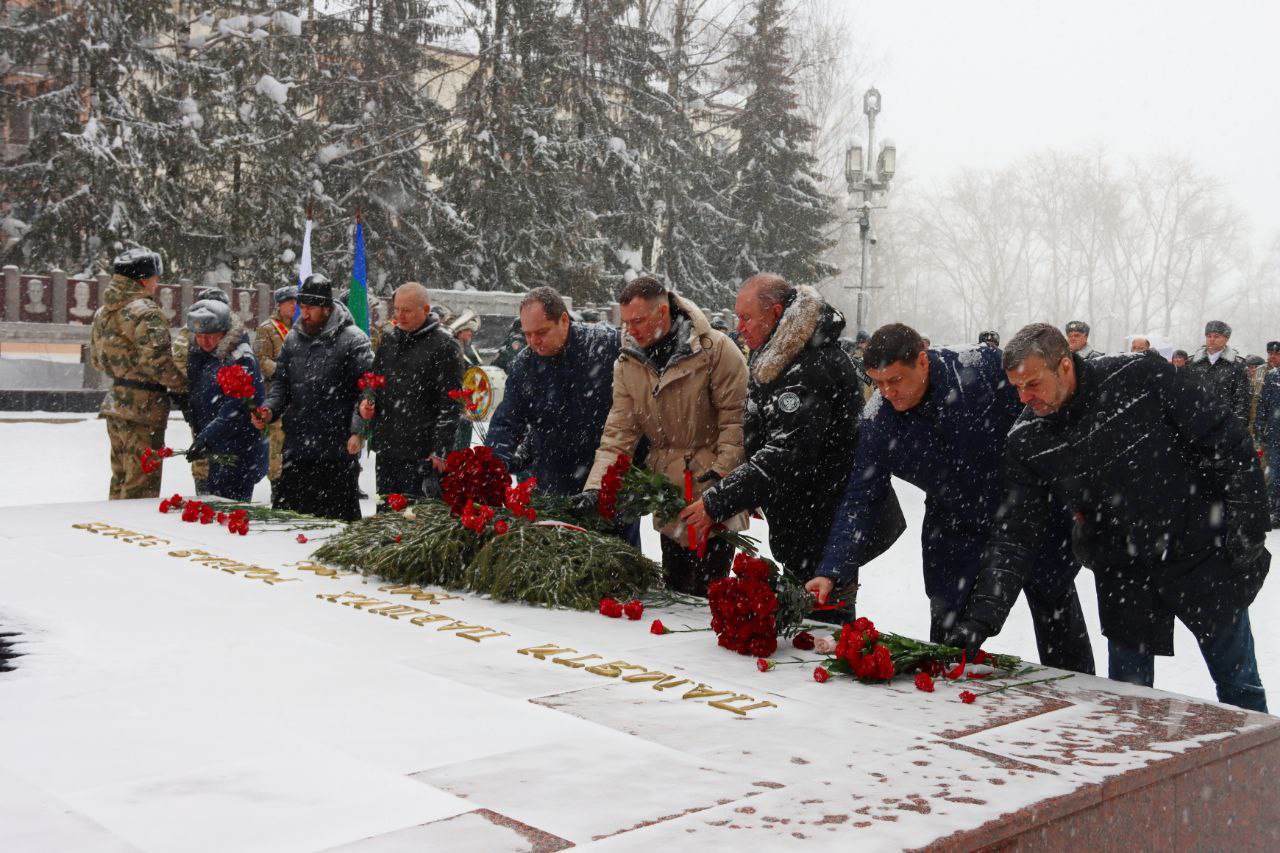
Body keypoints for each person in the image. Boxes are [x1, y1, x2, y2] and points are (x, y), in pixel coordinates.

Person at [947, 324, 1268, 712]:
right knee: (1129, 701)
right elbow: (1016, 533)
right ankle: (1141, 768)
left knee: (1239, 687)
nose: (1024, 397)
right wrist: (982, 617)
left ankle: (1262, 767)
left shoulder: (1141, 377)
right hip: (1122, 572)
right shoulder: (1027, 439)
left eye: (1032, 383)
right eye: (1017, 387)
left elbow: (1225, 437)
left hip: (1198, 548)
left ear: (1064, 366)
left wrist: (1248, 518)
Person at [814, 324, 1095, 672]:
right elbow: (860, 497)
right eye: (878, 383)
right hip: (956, 531)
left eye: (896, 380)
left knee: (1059, 621)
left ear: (922, 361)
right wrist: (831, 569)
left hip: (1030, 520)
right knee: (950, 647)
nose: (887, 393)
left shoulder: (983, 369)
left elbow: (1046, 416)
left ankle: (1081, 702)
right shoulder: (879, 423)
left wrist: (1073, 491)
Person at [679, 275, 905, 605]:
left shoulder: (810, 364)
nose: (739, 326)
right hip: (805, 519)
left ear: (776, 311)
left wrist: (719, 501)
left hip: (826, 522)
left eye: (746, 317)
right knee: (807, 619)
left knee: (822, 625)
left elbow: (787, 452)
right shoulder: (781, 352)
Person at [582, 276, 749, 594]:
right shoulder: (628, 363)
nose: (632, 329)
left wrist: (719, 484)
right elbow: (619, 432)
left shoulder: (715, 350)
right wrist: (596, 487)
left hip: (713, 490)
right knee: (676, 588)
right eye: (627, 322)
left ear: (663, 313)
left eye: (639, 320)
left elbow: (736, 423)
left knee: (710, 592)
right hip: (668, 490)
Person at [252, 274, 372, 521]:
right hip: (298, 447)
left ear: (326, 309)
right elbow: (281, 385)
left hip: (336, 448)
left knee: (334, 527)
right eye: (302, 307)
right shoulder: (293, 339)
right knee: (289, 525)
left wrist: (357, 430)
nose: (304, 314)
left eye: (310, 309)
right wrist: (269, 410)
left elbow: (367, 389)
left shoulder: (353, 339)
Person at [487, 287, 621, 496]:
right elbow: (507, 420)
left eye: (541, 332)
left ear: (564, 320)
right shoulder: (524, 364)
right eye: (527, 334)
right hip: (551, 483)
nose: (533, 342)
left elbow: (634, 411)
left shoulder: (605, 346)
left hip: (607, 481)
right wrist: (493, 464)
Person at [90, 248, 187, 500]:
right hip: (144, 408)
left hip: (116, 403)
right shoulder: (146, 312)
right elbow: (157, 363)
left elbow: (97, 360)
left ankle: (113, 531)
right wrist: (185, 384)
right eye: (155, 278)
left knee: (120, 478)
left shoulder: (103, 312)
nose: (157, 284)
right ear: (144, 279)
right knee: (141, 486)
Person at [356, 282, 463, 500]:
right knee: (386, 520)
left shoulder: (444, 346)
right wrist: (367, 403)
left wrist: (440, 450)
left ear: (425, 310)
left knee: (413, 522)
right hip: (388, 448)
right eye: (396, 309)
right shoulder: (389, 339)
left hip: (422, 454)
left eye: (406, 310)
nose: (400, 315)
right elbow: (374, 382)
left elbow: (450, 403)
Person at [183, 300, 268, 500]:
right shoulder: (204, 355)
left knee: (231, 510)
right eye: (199, 336)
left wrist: (205, 438)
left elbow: (235, 409)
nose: (204, 342)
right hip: (218, 446)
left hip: (239, 449)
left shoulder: (239, 358)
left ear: (224, 332)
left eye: (210, 336)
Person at [254, 285, 296, 494]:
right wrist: (283, 371)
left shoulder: (300, 329)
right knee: (277, 445)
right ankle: (277, 487)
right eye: (290, 303)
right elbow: (261, 360)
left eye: (296, 302)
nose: (294, 306)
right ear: (279, 305)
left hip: (297, 397)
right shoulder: (267, 328)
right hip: (276, 394)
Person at [1187, 320, 1250, 426]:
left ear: (1226, 339)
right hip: (1196, 422)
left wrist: (1238, 424)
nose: (1211, 339)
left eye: (1216, 336)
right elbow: (1186, 393)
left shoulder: (1237, 365)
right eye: (1208, 336)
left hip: (1223, 423)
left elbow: (1242, 399)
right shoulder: (1193, 363)